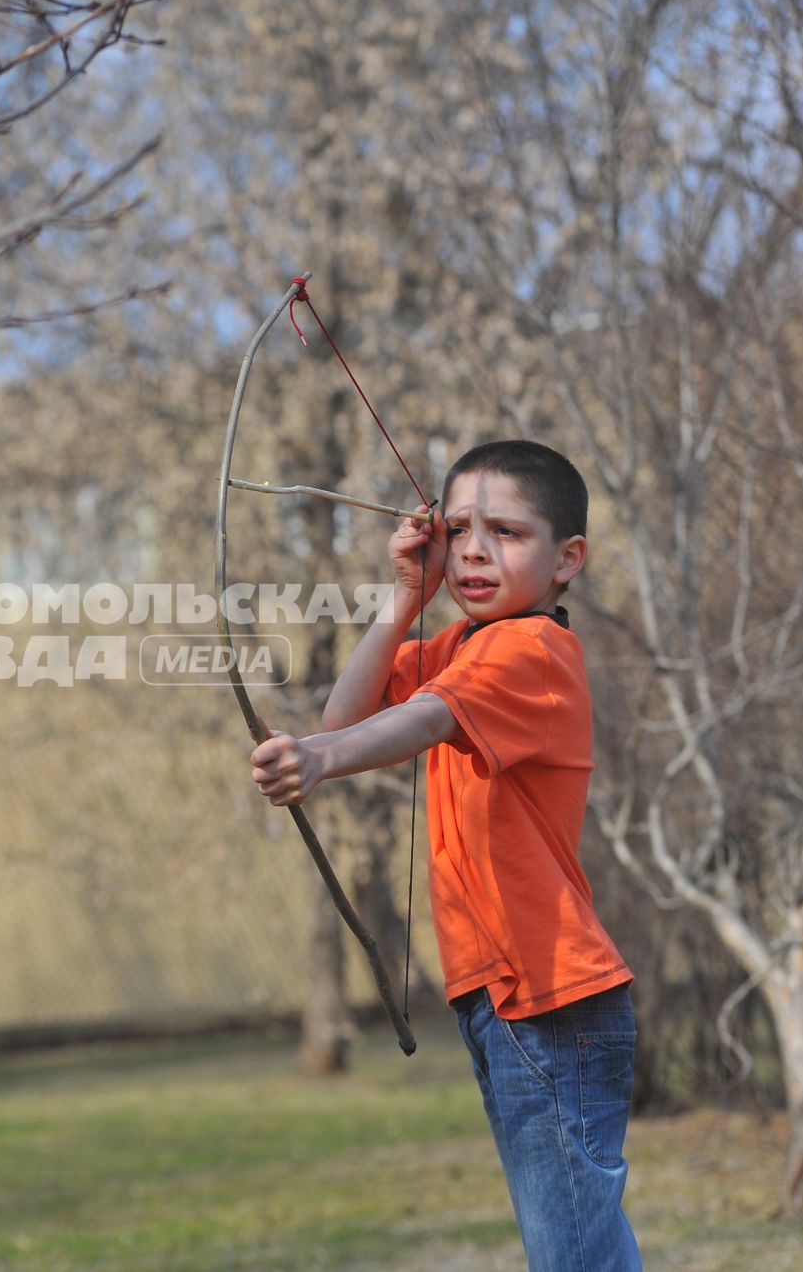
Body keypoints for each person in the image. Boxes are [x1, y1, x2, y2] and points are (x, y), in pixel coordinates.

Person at [250, 439, 641, 1272]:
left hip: (546, 998)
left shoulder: (530, 648)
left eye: (505, 531)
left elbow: (412, 722)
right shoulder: (469, 643)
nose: (471, 548)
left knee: (573, 1254)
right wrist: (404, 597)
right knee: (574, 1249)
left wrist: (321, 761)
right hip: (508, 999)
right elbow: (342, 713)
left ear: (568, 557)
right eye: (458, 526)